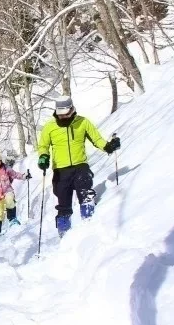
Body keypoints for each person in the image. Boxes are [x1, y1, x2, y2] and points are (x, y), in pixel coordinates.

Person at [36, 95, 121, 236]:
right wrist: (43, 157)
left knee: (86, 193)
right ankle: (64, 235)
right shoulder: (50, 127)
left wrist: (108, 147)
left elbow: (97, 139)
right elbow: (43, 146)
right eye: (60, 115)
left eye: (66, 114)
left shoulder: (83, 122)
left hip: (80, 166)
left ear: (72, 110)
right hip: (60, 171)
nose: (63, 117)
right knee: (63, 205)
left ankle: (89, 226)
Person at [0, 149, 31, 236]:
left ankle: (12, 218)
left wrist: (24, 176)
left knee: (9, 200)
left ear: (1, 161)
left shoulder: (5, 168)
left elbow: (15, 174)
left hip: (7, 190)